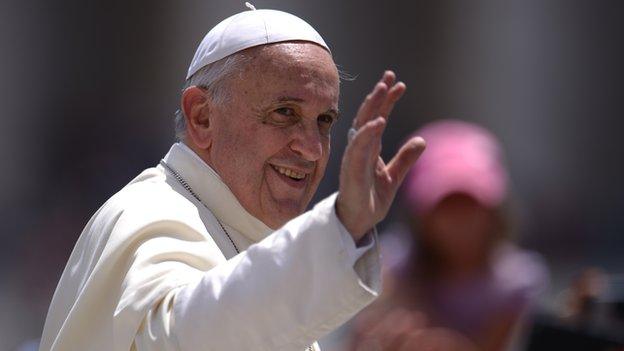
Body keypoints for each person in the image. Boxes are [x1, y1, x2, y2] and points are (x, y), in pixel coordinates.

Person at [39, 7, 426, 351]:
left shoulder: (249, 228)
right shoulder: (149, 216)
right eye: (284, 112)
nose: (311, 148)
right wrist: (342, 226)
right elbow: (181, 339)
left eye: (324, 121)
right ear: (202, 117)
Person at [348, 120, 548, 351]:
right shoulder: (393, 265)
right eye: (445, 206)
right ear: (421, 217)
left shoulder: (516, 283)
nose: (459, 220)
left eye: (470, 204)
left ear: (495, 212)